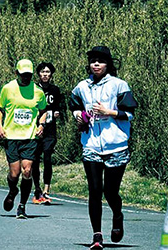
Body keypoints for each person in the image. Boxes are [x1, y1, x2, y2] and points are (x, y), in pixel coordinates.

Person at [70, 46, 137, 250]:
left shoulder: (119, 85)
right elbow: (74, 105)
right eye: (93, 61)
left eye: (100, 61)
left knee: (110, 192)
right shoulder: (82, 86)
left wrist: (109, 111)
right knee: (94, 190)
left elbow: (130, 113)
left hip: (115, 145)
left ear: (108, 64)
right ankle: (97, 236)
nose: (96, 64)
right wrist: (79, 117)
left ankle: (117, 215)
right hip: (91, 144)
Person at [0, 59, 47, 219]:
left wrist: (41, 125)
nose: (26, 78)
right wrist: (0, 127)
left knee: (27, 170)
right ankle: (12, 190)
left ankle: (22, 206)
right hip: (11, 136)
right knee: (14, 173)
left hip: (30, 137)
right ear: (17, 73)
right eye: (23, 75)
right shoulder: (8, 89)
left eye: (29, 75)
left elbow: (43, 110)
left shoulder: (38, 91)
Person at [32, 61, 64, 204]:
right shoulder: (33, 89)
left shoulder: (55, 90)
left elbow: (59, 106)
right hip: (35, 129)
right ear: (38, 74)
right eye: (42, 72)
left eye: (48, 72)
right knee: (34, 160)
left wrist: (57, 112)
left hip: (50, 129)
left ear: (51, 74)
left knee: (47, 159)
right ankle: (37, 189)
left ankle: (46, 189)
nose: (45, 75)